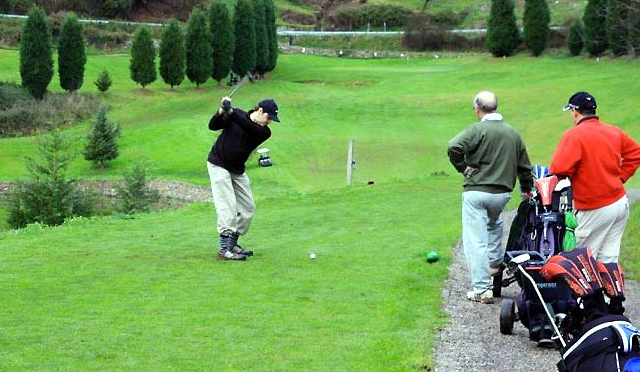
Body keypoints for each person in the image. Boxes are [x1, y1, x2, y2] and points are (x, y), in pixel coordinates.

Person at [448, 91, 533, 304]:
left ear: (478, 109)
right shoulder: (513, 133)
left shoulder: (477, 130)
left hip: (477, 192)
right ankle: (495, 264)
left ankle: (482, 289)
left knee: (475, 240)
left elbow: (453, 147)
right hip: (502, 194)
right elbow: (524, 165)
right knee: (495, 223)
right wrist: (526, 187)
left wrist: (464, 168)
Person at [549, 91, 640, 264]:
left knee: (581, 261)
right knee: (608, 259)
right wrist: (620, 178)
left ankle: (587, 292)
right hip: (619, 203)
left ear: (575, 111)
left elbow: (559, 169)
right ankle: (609, 291)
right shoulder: (613, 131)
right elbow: (636, 153)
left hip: (594, 207)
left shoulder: (574, 135)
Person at [207, 96, 280, 261]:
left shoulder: (263, 132)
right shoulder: (237, 115)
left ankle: (233, 243)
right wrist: (221, 111)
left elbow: (247, 126)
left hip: (237, 169)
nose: (269, 121)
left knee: (248, 208)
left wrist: (230, 111)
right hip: (218, 164)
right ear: (260, 110)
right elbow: (213, 126)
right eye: (269, 117)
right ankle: (224, 249)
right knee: (227, 206)